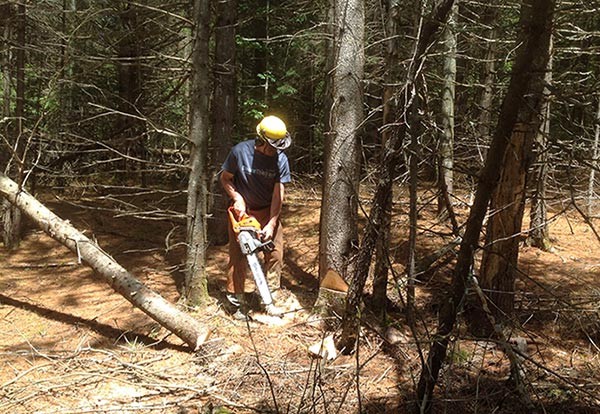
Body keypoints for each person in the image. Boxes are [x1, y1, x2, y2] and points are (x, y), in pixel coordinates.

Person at [220, 115, 292, 319]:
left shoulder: (281, 160)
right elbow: (225, 178)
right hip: (243, 211)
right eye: (271, 146)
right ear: (261, 140)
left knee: (275, 253)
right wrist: (236, 197)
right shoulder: (239, 152)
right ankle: (236, 301)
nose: (274, 151)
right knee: (238, 255)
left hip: (268, 210)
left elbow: (279, 193)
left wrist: (272, 222)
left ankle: (268, 298)